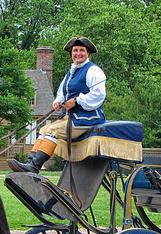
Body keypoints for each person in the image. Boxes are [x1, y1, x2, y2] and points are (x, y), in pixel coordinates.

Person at [9, 36, 106, 174]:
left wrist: (77, 100)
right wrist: (58, 102)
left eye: (81, 51)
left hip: (88, 118)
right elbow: (61, 92)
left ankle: (34, 167)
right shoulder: (71, 72)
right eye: (75, 51)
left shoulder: (93, 71)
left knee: (52, 131)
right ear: (71, 53)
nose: (78, 53)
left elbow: (99, 94)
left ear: (87, 53)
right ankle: (30, 163)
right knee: (43, 130)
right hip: (72, 118)